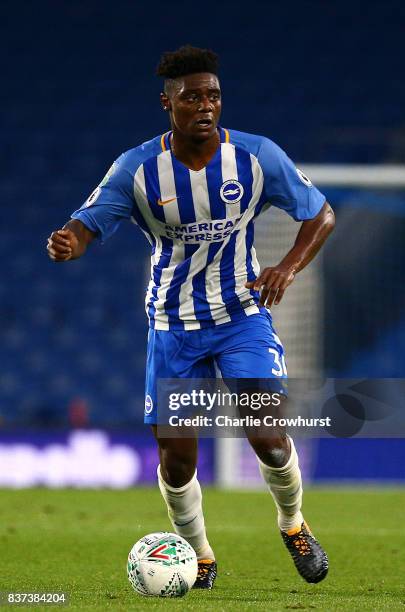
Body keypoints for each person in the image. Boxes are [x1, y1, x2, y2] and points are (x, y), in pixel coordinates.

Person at [47, 45, 335, 590]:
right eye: (192, 97)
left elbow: (321, 213)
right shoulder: (137, 168)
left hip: (242, 315)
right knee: (177, 461)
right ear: (167, 103)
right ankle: (200, 556)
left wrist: (288, 268)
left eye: (214, 95)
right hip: (174, 328)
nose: (206, 105)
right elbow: (88, 222)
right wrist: (70, 242)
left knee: (267, 434)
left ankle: (294, 525)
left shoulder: (256, 157)